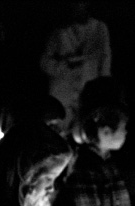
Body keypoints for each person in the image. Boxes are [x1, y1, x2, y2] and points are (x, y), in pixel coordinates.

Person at [40, 0, 112, 133]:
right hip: (62, 94)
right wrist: (65, 65)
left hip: (87, 93)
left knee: (86, 132)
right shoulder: (60, 31)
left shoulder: (99, 29)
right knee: (59, 131)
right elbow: (45, 63)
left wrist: (102, 93)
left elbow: (105, 61)